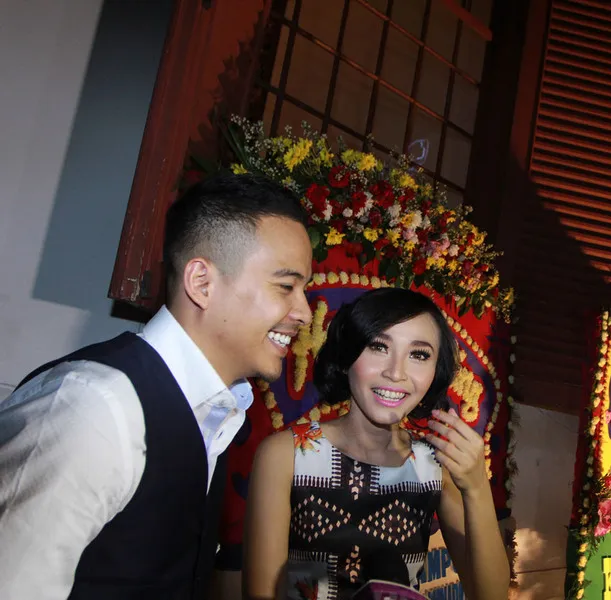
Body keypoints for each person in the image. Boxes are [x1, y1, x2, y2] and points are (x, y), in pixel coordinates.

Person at [0, 172, 314, 599]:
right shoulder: (94, 408)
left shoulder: (216, 414)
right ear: (202, 283)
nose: (304, 313)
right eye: (286, 286)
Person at [243, 288, 510, 600]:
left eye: (419, 355)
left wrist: (477, 488)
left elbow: (490, 595)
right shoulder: (287, 455)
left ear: (435, 372)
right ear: (347, 357)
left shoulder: (435, 467)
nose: (396, 373)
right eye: (378, 347)